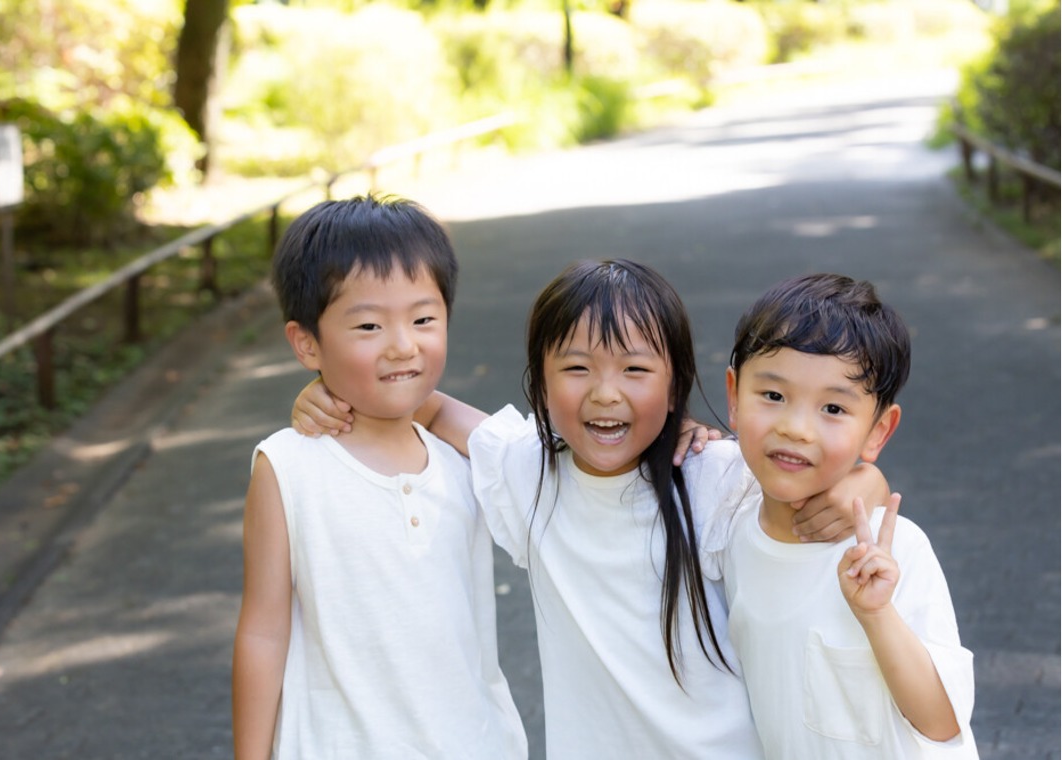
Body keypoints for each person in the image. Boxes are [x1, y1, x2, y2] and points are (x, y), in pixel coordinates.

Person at [294, 259, 891, 759]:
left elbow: (802, 477)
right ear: (541, 381)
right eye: (577, 368)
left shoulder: (713, 477)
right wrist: (333, 389)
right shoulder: (528, 471)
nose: (606, 393)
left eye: (635, 370)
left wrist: (865, 479)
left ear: (674, 385)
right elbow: (429, 407)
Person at [231, 195, 527, 760]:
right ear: (307, 343)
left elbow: (556, 460)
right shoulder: (287, 467)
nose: (403, 345)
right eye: (369, 325)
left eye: (424, 319)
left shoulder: (465, 461)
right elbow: (263, 632)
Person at [704, 273, 977, 758]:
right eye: (773, 396)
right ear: (734, 396)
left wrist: (876, 614)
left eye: (832, 408)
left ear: (878, 432)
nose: (796, 428)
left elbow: (942, 721)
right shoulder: (730, 530)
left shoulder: (892, 552)